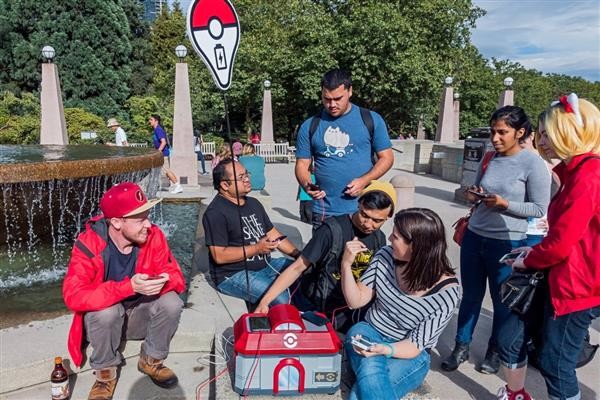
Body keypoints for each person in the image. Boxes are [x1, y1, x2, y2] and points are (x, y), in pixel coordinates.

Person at [496, 94, 600, 400]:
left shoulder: (588, 177)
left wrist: (529, 259)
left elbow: (561, 244)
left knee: (556, 364)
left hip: (576, 286)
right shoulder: (576, 173)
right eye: (541, 134)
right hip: (565, 278)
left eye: (547, 133)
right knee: (529, 347)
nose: (542, 140)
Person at [441, 106, 551, 375]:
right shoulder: (490, 157)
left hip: (508, 243)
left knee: (502, 301)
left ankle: (494, 351)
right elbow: (477, 187)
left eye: (502, 132)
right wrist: (473, 195)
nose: (495, 138)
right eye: (493, 131)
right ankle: (461, 346)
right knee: (470, 297)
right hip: (475, 236)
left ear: (520, 132)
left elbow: (538, 208)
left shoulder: (532, 163)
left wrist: (505, 205)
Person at [62, 182, 186, 400]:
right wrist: (128, 287)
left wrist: (163, 280)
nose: (148, 224)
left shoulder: (153, 236)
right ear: (117, 222)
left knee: (172, 302)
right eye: (140, 219)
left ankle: (151, 360)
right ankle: (105, 376)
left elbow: (176, 276)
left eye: (147, 216)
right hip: (106, 325)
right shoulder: (88, 243)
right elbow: (73, 295)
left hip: (138, 318)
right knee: (106, 312)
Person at [341, 208, 461, 400]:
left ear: (415, 246)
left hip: (409, 352)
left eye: (395, 236)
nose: (389, 238)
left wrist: (385, 350)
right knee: (371, 367)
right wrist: (346, 265)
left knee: (358, 394)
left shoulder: (447, 292)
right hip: (368, 331)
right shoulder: (385, 256)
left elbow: (414, 346)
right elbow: (356, 301)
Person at [255, 181, 396, 333]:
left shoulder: (379, 238)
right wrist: (265, 301)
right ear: (359, 204)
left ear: (388, 217)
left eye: (377, 221)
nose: (368, 224)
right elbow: (297, 267)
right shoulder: (331, 230)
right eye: (364, 215)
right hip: (323, 309)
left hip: (355, 308)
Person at [295, 68, 394, 228]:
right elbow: (301, 165)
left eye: (337, 98)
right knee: (326, 254)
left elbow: (387, 158)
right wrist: (307, 185)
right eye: (326, 99)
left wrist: (364, 180)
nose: (332, 104)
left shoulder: (371, 119)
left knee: (362, 254)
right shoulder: (310, 125)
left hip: (363, 213)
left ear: (350, 91)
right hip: (324, 213)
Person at [202, 159, 301, 305]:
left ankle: (308, 314)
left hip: (266, 265)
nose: (247, 179)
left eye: (246, 174)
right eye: (241, 177)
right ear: (224, 185)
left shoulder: (254, 203)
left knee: (304, 271)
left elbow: (273, 233)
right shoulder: (215, 213)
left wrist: (299, 256)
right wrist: (256, 248)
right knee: (280, 298)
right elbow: (219, 256)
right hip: (233, 275)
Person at [149, 114, 182, 194]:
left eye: (151, 120)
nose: (149, 121)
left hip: (163, 154)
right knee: (157, 170)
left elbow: (163, 142)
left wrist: (157, 152)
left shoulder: (158, 130)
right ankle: (154, 186)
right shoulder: (157, 129)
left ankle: (178, 186)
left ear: (156, 121)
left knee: (167, 171)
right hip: (162, 154)